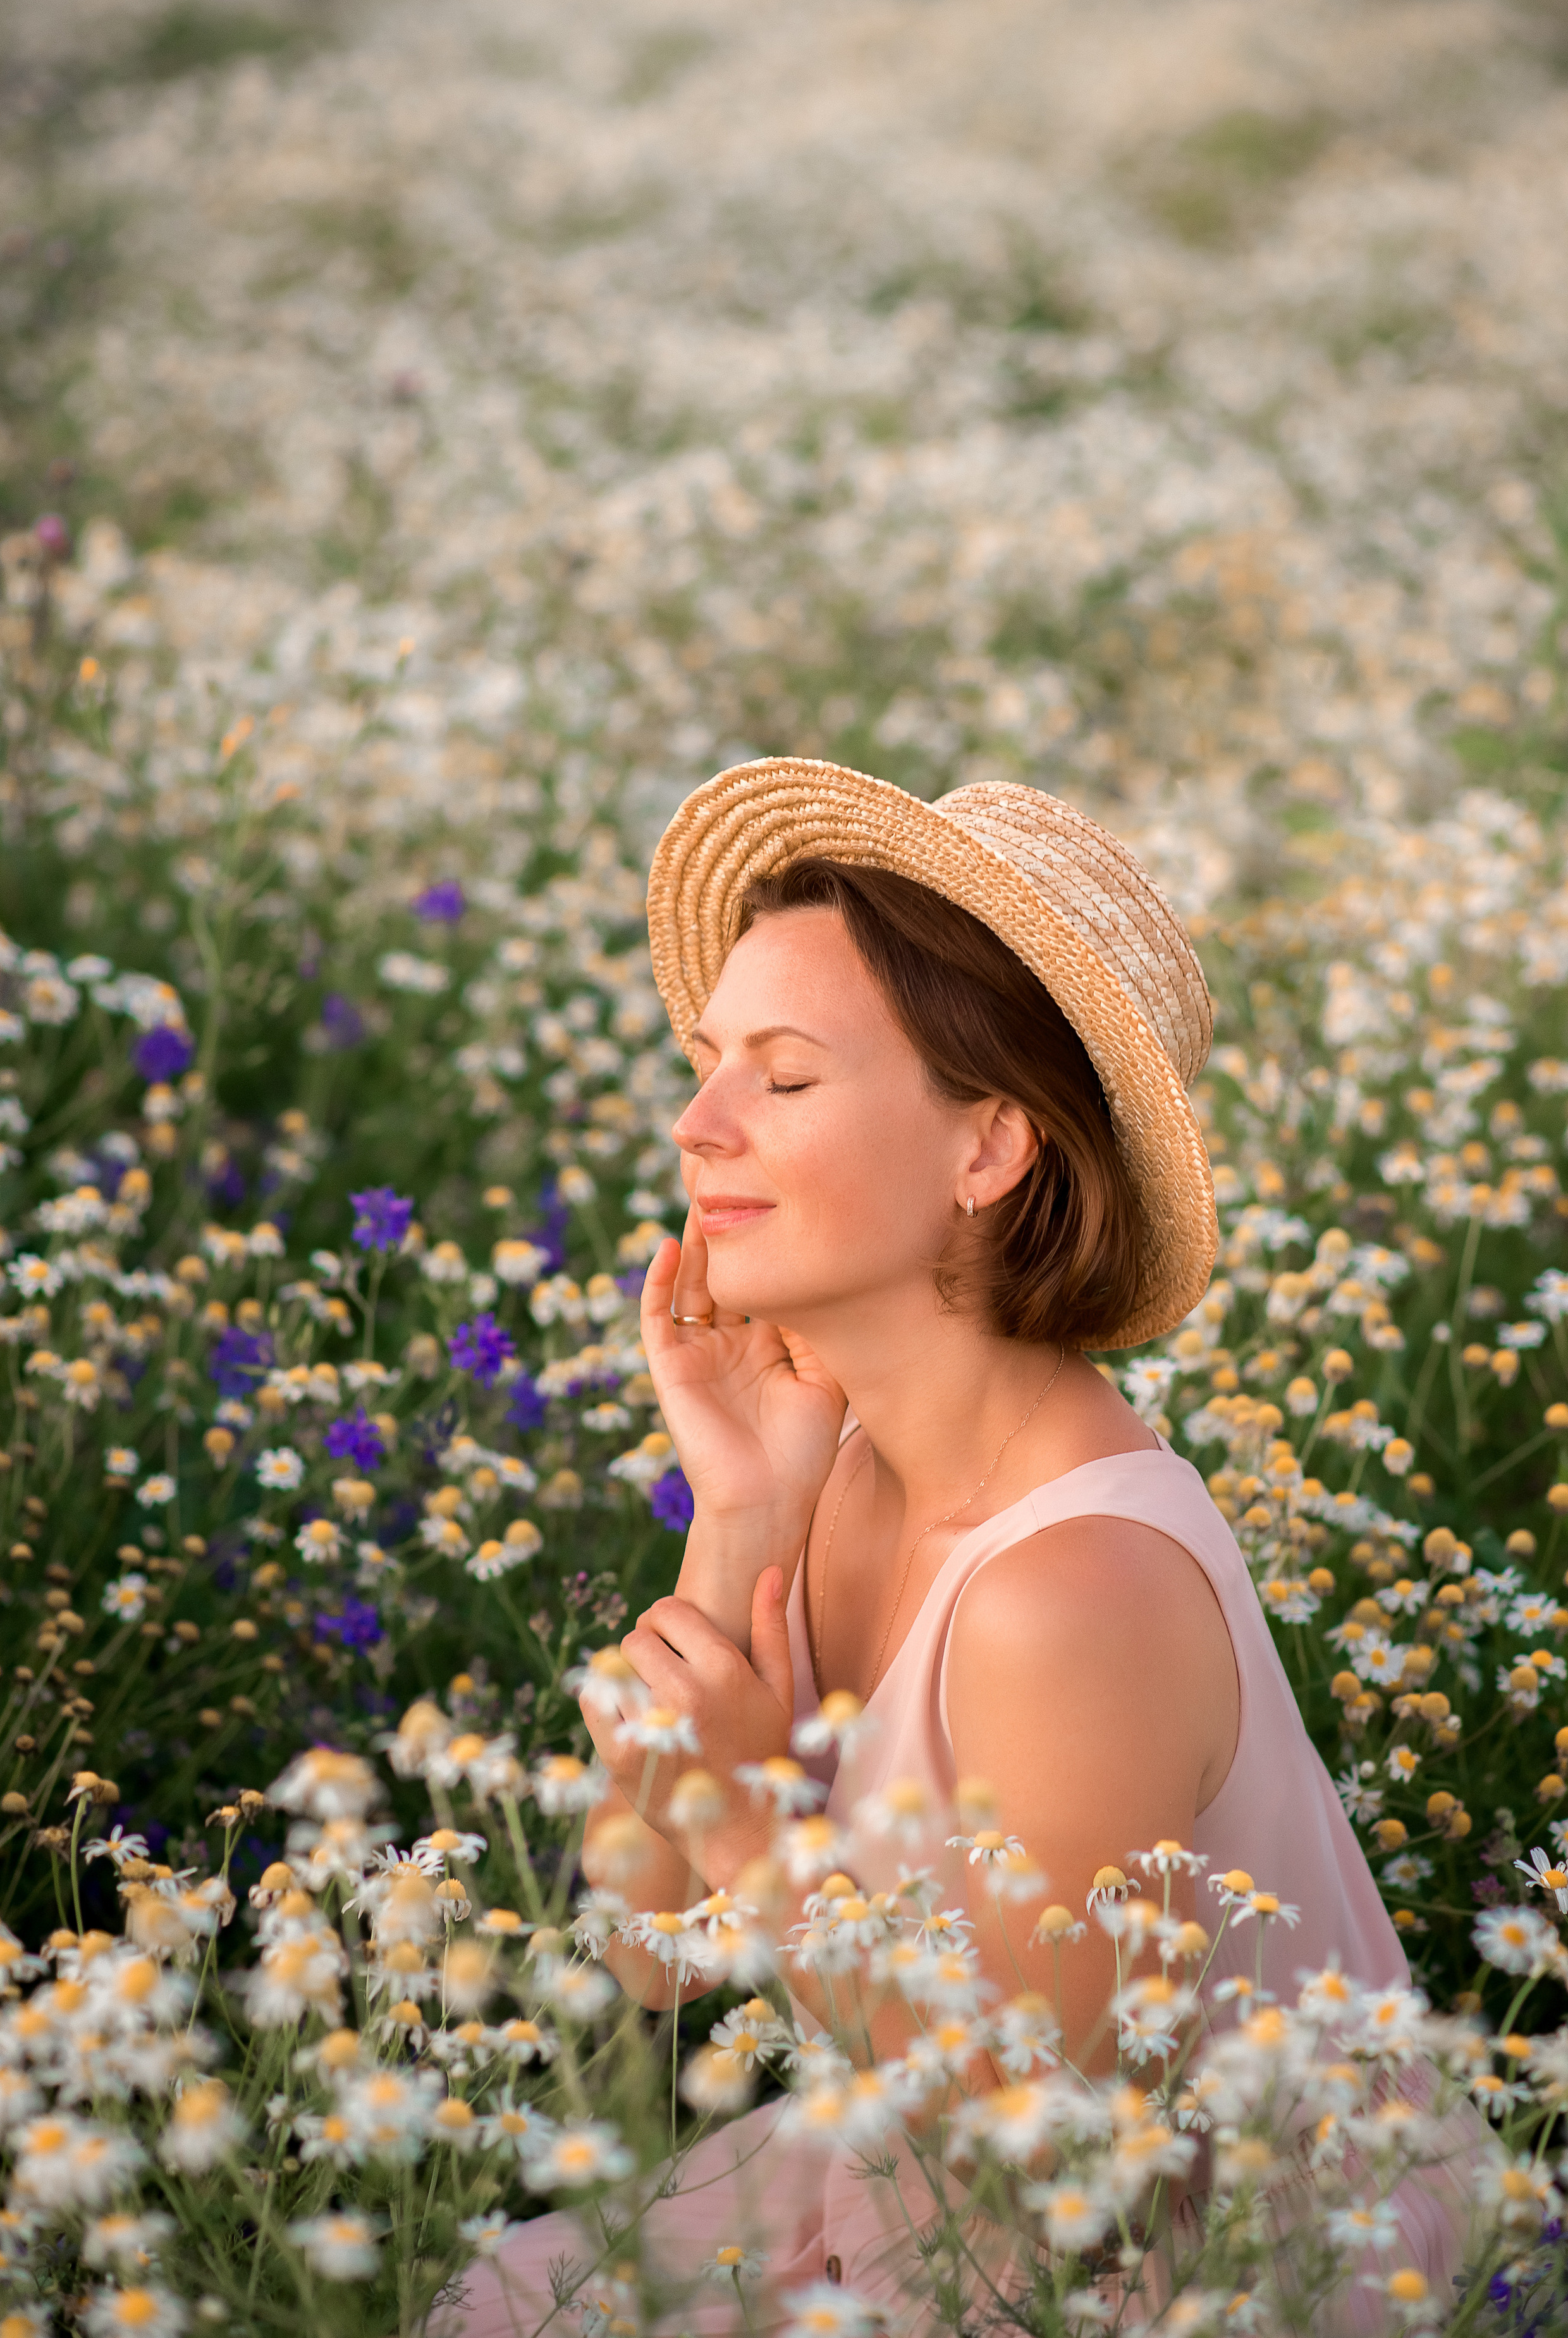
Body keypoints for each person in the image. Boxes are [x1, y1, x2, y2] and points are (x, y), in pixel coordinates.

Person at [438, 761, 1491, 2338]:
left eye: (784, 1078)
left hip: (1181, 2276)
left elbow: (1056, 2168)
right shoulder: (844, 1477)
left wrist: (749, 1824)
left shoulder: (1070, 1592)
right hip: (915, 2197)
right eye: (707, 1065)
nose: (695, 1124)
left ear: (988, 1148)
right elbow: (645, 1955)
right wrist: (741, 1512)